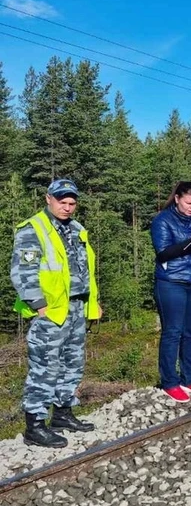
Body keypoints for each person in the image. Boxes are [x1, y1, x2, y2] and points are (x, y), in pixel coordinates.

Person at [10, 179, 101, 448]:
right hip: (49, 311)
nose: (67, 207)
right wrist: (39, 305)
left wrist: (91, 303)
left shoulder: (76, 229)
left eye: (72, 203)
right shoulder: (33, 229)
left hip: (75, 308)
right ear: (48, 198)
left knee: (72, 364)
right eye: (62, 201)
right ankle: (35, 425)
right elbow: (22, 272)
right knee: (44, 368)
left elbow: (85, 271)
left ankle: (62, 414)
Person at [151, 181, 191, 403]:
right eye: (189, 202)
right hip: (171, 281)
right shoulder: (162, 220)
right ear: (177, 199)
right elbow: (163, 253)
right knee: (173, 332)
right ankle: (170, 381)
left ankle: (190, 377)